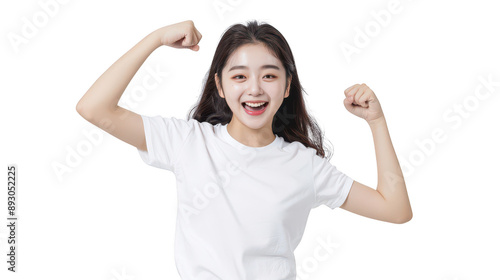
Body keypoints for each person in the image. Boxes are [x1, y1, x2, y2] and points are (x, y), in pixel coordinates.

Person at [76, 19, 412, 280]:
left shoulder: (304, 165)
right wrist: (156, 38)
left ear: (286, 86)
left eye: (269, 76)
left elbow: (395, 209)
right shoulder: (188, 142)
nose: (254, 89)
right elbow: (95, 109)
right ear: (220, 85)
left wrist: (377, 122)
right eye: (239, 77)